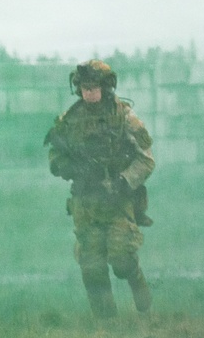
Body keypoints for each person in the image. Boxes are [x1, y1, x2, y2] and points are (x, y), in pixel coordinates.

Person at [44, 60, 154, 318]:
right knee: (91, 267)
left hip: (116, 200)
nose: (88, 93)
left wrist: (123, 181)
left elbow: (146, 159)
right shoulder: (70, 120)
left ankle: (139, 288)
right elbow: (54, 154)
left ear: (106, 88)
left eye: (94, 87)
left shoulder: (124, 117)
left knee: (122, 259)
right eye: (84, 88)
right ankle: (106, 326)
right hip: (85, 202)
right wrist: (67, 167)